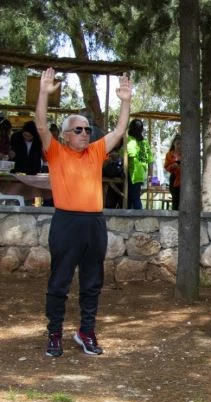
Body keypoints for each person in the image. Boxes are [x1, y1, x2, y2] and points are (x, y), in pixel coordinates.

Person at [35, 67, 132, 357]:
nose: (84, 133)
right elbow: (40, 125)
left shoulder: (96, 151)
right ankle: (54, 333)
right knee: (60, 281)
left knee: (92, 281)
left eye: (87, 129)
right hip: (67, 223)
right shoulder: (56, 152)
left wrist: (125, 101)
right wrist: (42, 92)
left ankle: (86, 331)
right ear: (65, 135)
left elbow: (119, 130)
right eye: (78, 129)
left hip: (94, 224)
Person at [126, 119, 152, 209]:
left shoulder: (130, 140)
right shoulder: (144, 143)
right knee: (132, 197)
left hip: (132, 173)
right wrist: (150, 175)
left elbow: (130, 156)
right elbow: (150, 160)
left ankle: (140, 216)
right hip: (141, 174)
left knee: (134, 198)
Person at [164, 134, 182, 210]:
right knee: (175, 198)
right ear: (173, 144)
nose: (179, 146)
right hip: (174, 178)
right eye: (177, 144)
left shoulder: (186, 153)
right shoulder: (169, 154)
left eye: (181, 144)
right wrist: (172, 166)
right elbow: (166, 166)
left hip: (183, 178)